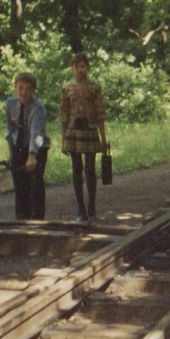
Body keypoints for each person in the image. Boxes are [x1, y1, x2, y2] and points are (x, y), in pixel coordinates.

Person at [59, 53, 108, 222]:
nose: (80, 70)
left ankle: (92, 207)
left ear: (88, 68)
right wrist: (63, 140)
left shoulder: (95, 87)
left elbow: (101, 114)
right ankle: (80, 209)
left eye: (83, 66)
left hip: (90, 130)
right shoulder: (67, 88)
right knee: (76, 170)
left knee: (90, 170)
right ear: (72, 68)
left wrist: (103, 139)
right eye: (77, 66)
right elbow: (64, 115)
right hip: (73, 132)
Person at [5, 72, 49, 220]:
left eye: (28, 89)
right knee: (19, 186)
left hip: (37, 147)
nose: (24, 92)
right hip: (18, 146)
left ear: (33, 90)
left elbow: (37, 135)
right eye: (20, 88)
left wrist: (32, 156)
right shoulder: (11, 103)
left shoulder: (38, 108)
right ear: (16, 88)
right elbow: (10, 126)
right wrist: (12, 148)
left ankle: (37, 222)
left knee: (35, 186)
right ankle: (21, 220)